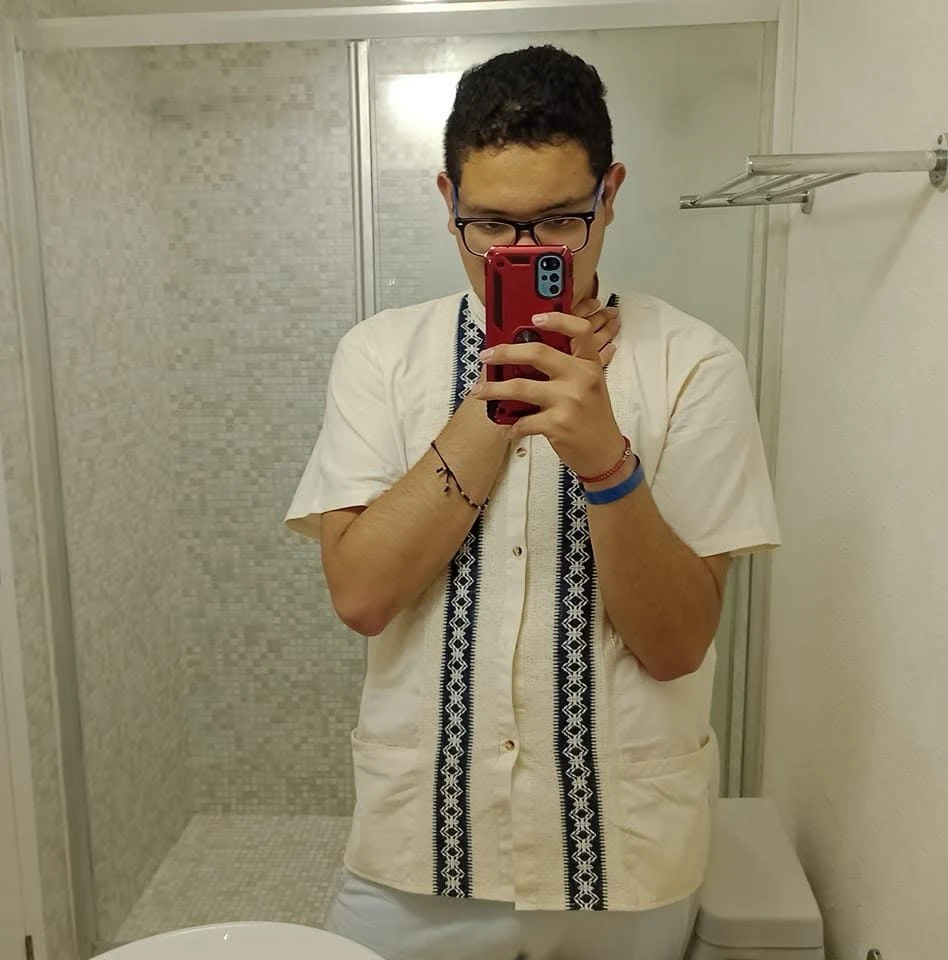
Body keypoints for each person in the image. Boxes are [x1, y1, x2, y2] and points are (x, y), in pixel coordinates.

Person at [286, 44, 780, 960]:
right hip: (417, 850)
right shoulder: (381, 358)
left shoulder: (694, 366)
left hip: (621, 857)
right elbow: (361, 595)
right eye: (490, 224)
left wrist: (607, 465)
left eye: (558, 221)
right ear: (448, 202)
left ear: (610, 193)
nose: (523, 254)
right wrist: (497, 403)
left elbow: (676, 645)